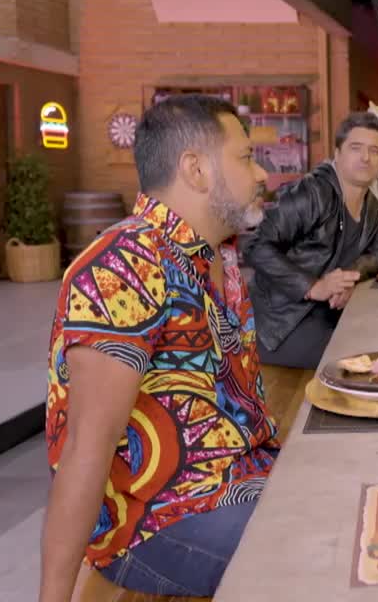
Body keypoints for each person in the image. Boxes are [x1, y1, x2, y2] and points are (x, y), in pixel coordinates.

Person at [41, 95, 278, 600]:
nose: (262, 174)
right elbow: (87, 446)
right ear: (196, 169)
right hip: (158, 523)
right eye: (245, 157)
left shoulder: (218, 256)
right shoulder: (123, 265)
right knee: (326, 546)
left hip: (242, 479)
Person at [245, 112, 378, 367]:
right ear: (337, 153)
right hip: (283, 322)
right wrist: (313, 286)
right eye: (356, 148)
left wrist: (346, 279)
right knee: (360, 365)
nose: (365, 157)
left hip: (330, 313)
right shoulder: (312, 192)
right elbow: (256, 245)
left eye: (374, 150)